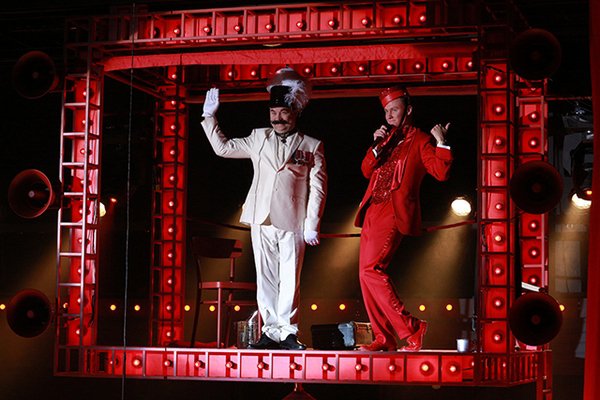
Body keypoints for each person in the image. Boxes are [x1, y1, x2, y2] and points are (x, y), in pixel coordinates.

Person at [200, 67, 327, 350]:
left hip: (293, 220)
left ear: (295, 112)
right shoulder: (258, 137)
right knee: (265, 276)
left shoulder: (312, 145)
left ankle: (288, 332)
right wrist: (210, 117)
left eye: (283, 113)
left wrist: (312, 223)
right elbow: (223, 148)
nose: (277, 118)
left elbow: (318, 188)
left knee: (290, 277)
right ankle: (270, 332)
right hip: (261, 216)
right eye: (273, 113)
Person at [354, 85, 452, 351]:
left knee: (371, 270)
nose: (388, 115)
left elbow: (441, 172)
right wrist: (376, 145)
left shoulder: (420, 139)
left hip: (393, 210)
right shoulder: (385, 140)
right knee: (365, 275)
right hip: (372, 209)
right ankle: (383, 337)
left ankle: (412, 328)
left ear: (408, 110)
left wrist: (442, 141)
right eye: (386, 111)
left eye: (394, 110)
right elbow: (365, 170)